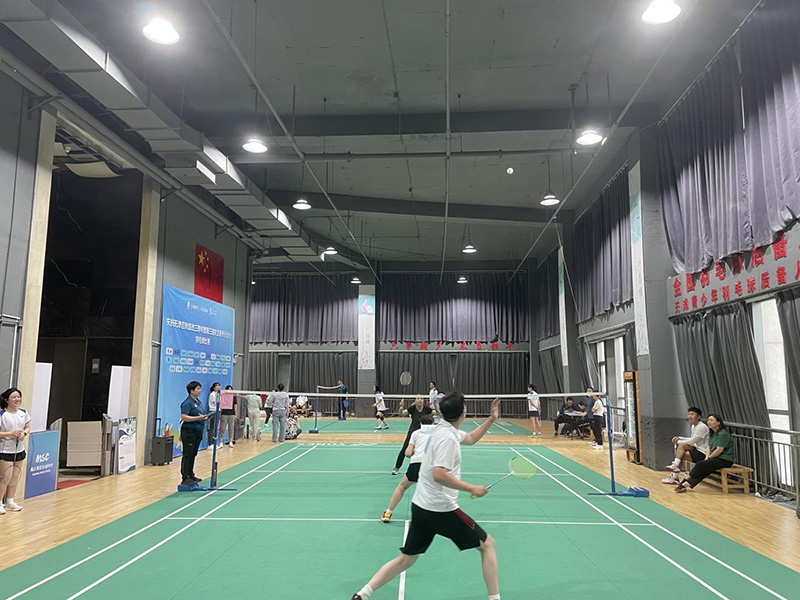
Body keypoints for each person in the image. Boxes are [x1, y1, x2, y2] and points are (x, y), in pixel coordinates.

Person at [351, 394, 502, 600]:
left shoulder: (443, 428)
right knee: (487, 544)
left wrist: (491, 419)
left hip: (421, 507)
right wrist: (472, 488)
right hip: (441, 510)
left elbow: (471, 439)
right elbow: (439, 474)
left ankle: (362, 594)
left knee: (406, 559)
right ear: (463, 412)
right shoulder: (448, 438)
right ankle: (495, 598)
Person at [382, 414, 435, 522]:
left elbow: (407, 453)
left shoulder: (416, 433)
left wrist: (416, 451)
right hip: (432, 466)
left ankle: (388, 513)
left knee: (402, 487)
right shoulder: (438, 433)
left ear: (421, 424)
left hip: (416, 464)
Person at [675, 414, 734, 493]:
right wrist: (706, 458)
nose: (709, 422)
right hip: (715, 458)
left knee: (700, 464)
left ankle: (687, 479)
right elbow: (708, 447)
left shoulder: (723, 434)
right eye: (708, 420)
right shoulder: (713, 434)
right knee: (705, 468)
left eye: (711, 420)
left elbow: (719, 450)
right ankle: (686, 484)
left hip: (725, 460)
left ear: (718, 422)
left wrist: (709, 458)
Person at [0, 388, 31, 513]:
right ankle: (0, 503)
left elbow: (27, 427)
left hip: (19, 449)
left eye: (18, 397)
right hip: (5, 450)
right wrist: (10, 433)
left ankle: (10, 502)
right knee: (6, 477)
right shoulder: (2, 415)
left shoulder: (23, 413)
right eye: (14, 397)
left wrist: (24, 433)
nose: (17, 399)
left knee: (15, 477)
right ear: (7, 400)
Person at [663, 407, 710, 485]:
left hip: (703, 453)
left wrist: (678, 442)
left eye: (692, 414)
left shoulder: (702, 427)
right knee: (681, 451)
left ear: (698, 417)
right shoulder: (693, 426)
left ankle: (675, 474)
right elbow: (692, 439)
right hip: (696, 449)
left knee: (681, 452)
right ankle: (675, 470)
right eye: (689, 414)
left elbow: (691, 442)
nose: (690, 416)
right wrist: (680, 438)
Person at [392, 396, 433, 475]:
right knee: (404, 448)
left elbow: (436, 413)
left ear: (423, 400)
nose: (420, 400)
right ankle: (397, 467)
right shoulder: (412, 408)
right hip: (413, 431)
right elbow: (401, 413)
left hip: (424, 432)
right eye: (418, 398)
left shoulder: (427, 409)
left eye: (421, 399)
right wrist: (401, 406)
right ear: (415, 400)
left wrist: (437, 406)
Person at [179, 381, 208, 487]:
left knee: (193, 454)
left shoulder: (198, 402)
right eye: (198, 389)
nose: (200, 391)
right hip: (189, 432)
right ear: (191, 391)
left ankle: (191, 474)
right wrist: (198, 418)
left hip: (197, 431)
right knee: (187, 454)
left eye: (200, 388)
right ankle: (185, 477)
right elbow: (184, 417)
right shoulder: (187, 403)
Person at [206, 382, 221, 447]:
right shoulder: (212, 394)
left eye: (219, 386)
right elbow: (216, 402)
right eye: (217, 386)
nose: (219, 387)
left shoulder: (218, 394)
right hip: (213, 411)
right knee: (212, 428)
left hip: (218, 411)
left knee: (216, 428)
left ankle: (215, 443)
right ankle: (210, 443)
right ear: (214, 388)